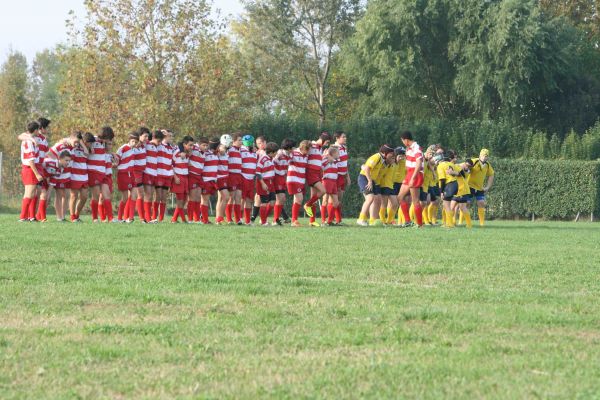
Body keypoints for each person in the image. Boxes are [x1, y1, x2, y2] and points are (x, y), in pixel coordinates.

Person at [356, 144, 394, 226]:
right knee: (370, 198)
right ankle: (361, 219)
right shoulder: (377, 156)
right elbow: (366, 168)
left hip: (374, 181)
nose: (392, 155)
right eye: (391, 153)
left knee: (378, 199)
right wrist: (369, 181)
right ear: (384, 153)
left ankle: (372, 220)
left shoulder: (385, 162)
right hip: (364, 178)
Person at [397, 131, 424, 227]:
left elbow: (419, 162)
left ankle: (420, 224)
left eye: (402, 140)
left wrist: (413, 177)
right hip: (409, 174)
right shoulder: (408, 149)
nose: (402, 142)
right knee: (400, 197)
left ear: (406, 140)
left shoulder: (416, 148)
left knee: (415, 200)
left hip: (415, 174)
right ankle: (408, 221)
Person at [303, 132, 331, 227]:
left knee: (314, 197)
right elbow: (302, 149)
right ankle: (307, 204)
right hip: (311, 172)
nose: (327, 145)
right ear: (323, 140)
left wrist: (325, 157)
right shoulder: (311, 145)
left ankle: (312, 221)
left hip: (317, 173)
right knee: (323, 190)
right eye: (327, 142)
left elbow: (318, 162)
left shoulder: (319, 149)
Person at [88, 127, 114, 223]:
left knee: (107, 195)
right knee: (95, 195)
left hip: (103, 173)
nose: (108, 141)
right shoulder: (92, 139)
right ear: (104, 136)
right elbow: (81, 139)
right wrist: (89, 147)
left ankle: (110, 219)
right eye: (108, 138)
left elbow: (106, 153)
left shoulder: (103, 143)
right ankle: (95, 218)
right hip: (93, 172)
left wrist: (113, 154)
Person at [19, 121, 43, 221]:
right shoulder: (29, 142)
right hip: (30, 169)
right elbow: (31, 160)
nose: (40, 131)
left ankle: (29, 217)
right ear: (36, 130)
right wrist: (37, 174)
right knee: (29, 193)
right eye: (39, 129)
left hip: (29, 168)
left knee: (32, 193)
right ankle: (23, 217)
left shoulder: (29, 139)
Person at [69, 132, 93, 222]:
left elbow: (87, 154)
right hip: (74, 175)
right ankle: (72, 216)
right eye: (89, 143)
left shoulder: (84, 148)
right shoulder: (73, 147)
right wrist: (77, 141)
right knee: (73, 196)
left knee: (84, 196)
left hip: (84, 176)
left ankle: (77, 214)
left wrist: (82, 143)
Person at [115, 132, 139, 222]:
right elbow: (116, 158)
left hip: (131, 173)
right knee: (125, 197)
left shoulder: (134, 149)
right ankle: (119, 218)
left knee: (134, 194)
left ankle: (131, 217)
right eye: (133, 141)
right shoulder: (123, 148)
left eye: (136, 142)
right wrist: (114, 163)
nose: (134, 143)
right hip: (123, 173)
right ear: (129, 141)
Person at [468, 148, 495, 226]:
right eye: (483, 155)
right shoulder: (474, 161)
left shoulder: (487, 165)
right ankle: (462, 221)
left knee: (481, 203)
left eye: (486, 156)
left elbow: (491, 175)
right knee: (466, 203)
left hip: (480, 188)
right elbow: (465, 165)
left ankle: (482, 223)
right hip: (469, 186)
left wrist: (487, 187)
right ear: (479, 155)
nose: (484, 157)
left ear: (488, 157)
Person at [286, 140, 310, 227]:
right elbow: (286, 159)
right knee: (299, 198)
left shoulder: (306, 155)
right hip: (293, 179)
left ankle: (294, 220)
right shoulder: (294, 153)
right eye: (307, 150)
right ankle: (294, 220)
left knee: (297, 200)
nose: (308, 152)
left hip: (301, 180)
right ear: (302, 148)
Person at [171, 136, 194, 223]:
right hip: (179, 177)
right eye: (190, 145)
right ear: (184, 144)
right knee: (180, 200)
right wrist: (175, 177)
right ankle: (184, 220)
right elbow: (171, 165)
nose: (192, 147)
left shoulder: (186, 153)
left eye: (192, 145)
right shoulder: (177, 152)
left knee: (184, 200)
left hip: (185, 177)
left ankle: (174, 219)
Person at [447, 159, 474, 228]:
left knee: (462, 207)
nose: (467, 167)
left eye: (469, 166)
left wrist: (450, 171)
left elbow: (458, 173)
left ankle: (469, 224)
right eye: (467, 165)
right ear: (465, 163)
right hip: (457, 190)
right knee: (451, 207)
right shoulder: (459, 166)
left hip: (462, 190)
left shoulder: (465, 171)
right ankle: (451, 223)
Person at [255, 142, 278, 226]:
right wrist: (263, 183)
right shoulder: (263, 159)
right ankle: (263, 221)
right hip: (264, 182)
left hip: (271, 183)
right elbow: (257, 172)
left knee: (272, 202)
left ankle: (263, 218)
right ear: (271, 152)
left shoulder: (271, 159)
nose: (276, 154)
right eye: (275, 152)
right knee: (264, 203)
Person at [155, 130, 175, 222]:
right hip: (159, 174)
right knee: (158, 196)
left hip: (168, 175)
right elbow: (153, 138)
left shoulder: (172, 148)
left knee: (164, 197)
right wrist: (160, 132)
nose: (171, 137)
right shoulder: (159, 145)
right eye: (169, 136)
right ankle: (154, 217)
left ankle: (161, 219)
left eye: (171, 136)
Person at [273, 138, 294, 225]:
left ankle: (277, 219)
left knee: (282, 199)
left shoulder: (289, 155)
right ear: (288, 148)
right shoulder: (279, 154)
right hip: (277, 178)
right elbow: (272, 163)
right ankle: (275, 220)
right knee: (280, 198)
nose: (293, 149)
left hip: (282, 178)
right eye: (292, 148)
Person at [142, 130, 162, 223]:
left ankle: (148, 217)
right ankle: (147, 218)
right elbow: (140, 141)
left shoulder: (156, 147)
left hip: (154, 173)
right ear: (153, 138)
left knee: (151, 195)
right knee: (148, 195)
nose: (160, 143)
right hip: (147, 173)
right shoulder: (147, 144)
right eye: (158, 141)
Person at [200, 138, 220, 224]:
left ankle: (203, 218)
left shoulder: (216, 154)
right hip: (206, 180)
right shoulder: (205, 154)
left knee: (206, 200)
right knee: (204, 199)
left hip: (212, 180)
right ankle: (204, 219)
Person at [188, 137, 206, 223]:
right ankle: (190, 218)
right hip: (192, 175)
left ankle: (197, 218)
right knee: (192, 197)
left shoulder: (204, 153)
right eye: (203, 145)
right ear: (199, 144)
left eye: (207, 145)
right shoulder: (194, 147)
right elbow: (183, 145)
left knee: (198, 198)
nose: (205, 147)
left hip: (199, 176)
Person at [321, 145, 341, 226]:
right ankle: (323, 221)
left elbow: (336, 161)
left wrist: (330, 158)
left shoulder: (335, 160)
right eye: (338, 153)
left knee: (336, 202)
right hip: (327, 181)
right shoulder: (325, 159)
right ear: (333, 153)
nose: (339, 154)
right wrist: (326, 157)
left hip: (333, 182)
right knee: (325, 200)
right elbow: (321, 166)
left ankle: (329, 221)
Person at [240, 135, 258, 225]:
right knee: (241, 199)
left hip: (251, 178)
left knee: (249, 199)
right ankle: (239, 218)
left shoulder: (255, 152)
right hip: (243, 177)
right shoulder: (241, 150)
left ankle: (247, 221)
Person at [226, 133, 243, 224]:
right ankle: (229, 219)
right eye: (239, 140)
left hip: (239, 175)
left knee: (238, 197)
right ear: (233, 141)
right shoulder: (230, 149)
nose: (241, 142)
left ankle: (238, 219)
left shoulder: (241, 150)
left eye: (241, 140)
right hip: (231, 175)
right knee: (231, 197)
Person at [251, 135, 268, 222]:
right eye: (258, 143)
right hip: (260, 177)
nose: (259, 145)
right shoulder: (257, 153)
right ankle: (256, 218)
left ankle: (255, 218)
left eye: (261, 143)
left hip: (268, 177)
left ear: (265, 142)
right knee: (259, 197)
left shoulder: (269, 151)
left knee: (260, 197)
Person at [215, 135, 231, 225]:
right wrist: (222, 148)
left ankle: (218, 218)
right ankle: (220, 218)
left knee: (221, 198)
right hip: (220, 177)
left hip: (224, 176)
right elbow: (221, 150)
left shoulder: (227, 150)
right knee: (226, 197)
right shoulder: (221, 148)